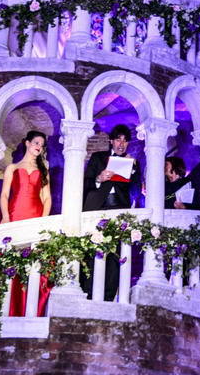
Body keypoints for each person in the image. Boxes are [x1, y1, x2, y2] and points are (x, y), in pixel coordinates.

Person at [0, 131, 52, 317]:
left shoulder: (44, 170)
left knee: (31, 262)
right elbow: (4, 195)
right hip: (14, 215)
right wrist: (5, 217)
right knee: (8, 259)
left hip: (35, 216)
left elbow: (47, 198)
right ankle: (5, 308)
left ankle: (27, 308)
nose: (39, 146)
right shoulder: (12, 167)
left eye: (42, 144)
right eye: (36, 142)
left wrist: (43, 221)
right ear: (27, 143)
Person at [82, 125, 142, 300]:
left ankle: (108, 296)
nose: (121, 144)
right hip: (97, 208)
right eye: (118, 139)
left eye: (125, 141)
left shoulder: (132, 162)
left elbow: (136, 189)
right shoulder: (98, 157)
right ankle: (88, 293)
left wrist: (133, 169)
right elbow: (85, 182)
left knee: (116, 254)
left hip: (119, 209)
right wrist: (99, 178)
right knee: (93, 251)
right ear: (111, 141)